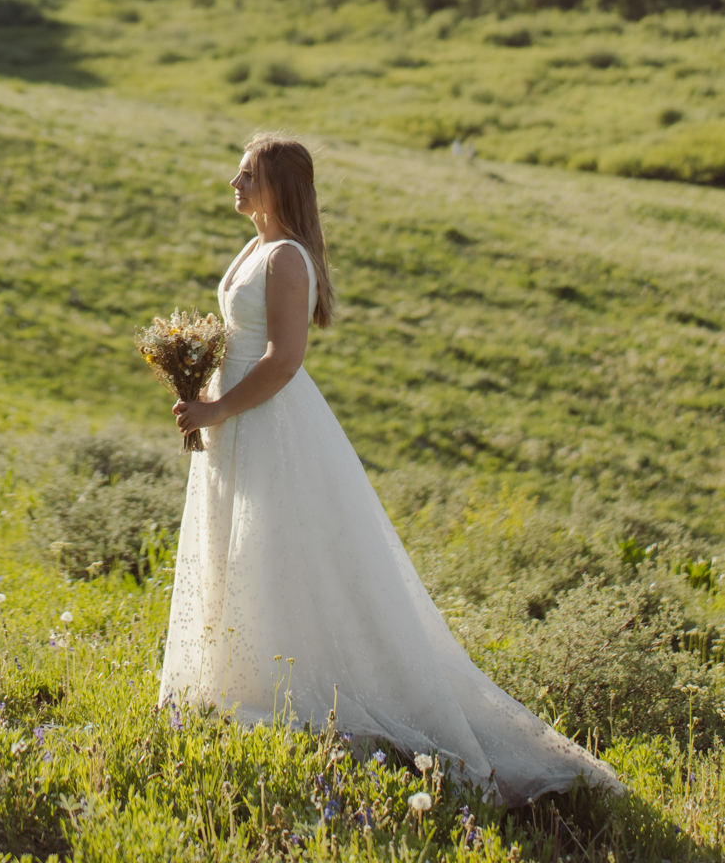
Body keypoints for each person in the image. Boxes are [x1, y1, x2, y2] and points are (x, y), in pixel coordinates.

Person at [159, 131, 617, 807]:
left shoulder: (285, 257)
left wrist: (220, 405)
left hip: (268, 424)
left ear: (279, 186)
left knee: (280, 551)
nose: (233, 184)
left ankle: (306, 694)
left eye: (246, 174)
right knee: (242, 548)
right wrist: (195, 379)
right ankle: (240, 681)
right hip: (233, 422)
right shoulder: (254, 246)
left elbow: (284, 361)